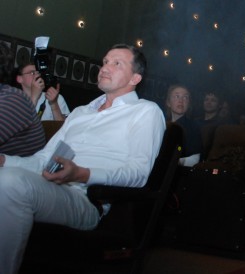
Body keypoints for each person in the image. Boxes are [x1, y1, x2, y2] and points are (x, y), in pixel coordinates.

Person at [0, 44, 165, 274]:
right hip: (51, 189)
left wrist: (82, 174)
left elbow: (138, 174)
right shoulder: (80, 113)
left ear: (135, 78)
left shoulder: (145, 112)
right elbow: (43, 160)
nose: (105, 67)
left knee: (8, 182)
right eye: (105, 62)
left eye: (117, 63)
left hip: (86, 200)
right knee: (6, 176)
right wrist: (5, 160)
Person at [0, 43, 46, 157]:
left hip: (20, 166)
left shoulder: (12, 100)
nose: (36, 76)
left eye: (37, 72)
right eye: (31, 73)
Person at [165, 84, 201, 166]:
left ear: (188, 104)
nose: (181, 100)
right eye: (177, 96)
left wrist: (178, 162)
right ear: (168, 102)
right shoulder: (161, 123)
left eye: (185, 97)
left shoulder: (193, 127)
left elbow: (196, 157)